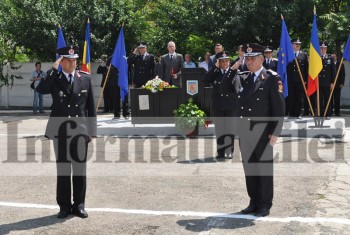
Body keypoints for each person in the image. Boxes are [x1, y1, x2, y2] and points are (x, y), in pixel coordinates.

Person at [36, 45, 97, 219]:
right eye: (68, 60)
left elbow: (90, 107)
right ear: (61, 61)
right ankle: (64, 206)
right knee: (63, 170)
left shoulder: (84, 78)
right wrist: (52, 70)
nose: (72, 63)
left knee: (79, 170)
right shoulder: (54, 78)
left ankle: (79, 205)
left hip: (80, 131)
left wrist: (92, 131)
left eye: (74, 60)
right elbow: (40, 89)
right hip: (60, 131)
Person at [228, 43, 284, 217]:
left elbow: (279, 107)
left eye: (252, 59)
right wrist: (232, 69)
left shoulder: (272, 78)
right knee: (250, 168)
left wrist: (275, 132)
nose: (249, 62)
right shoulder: (245, 77)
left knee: (264, 169)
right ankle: (254, 201)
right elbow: (226, 89)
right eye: (247, 59)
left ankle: (265, 204)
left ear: (261, 59)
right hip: (246, 131)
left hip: (263, 131)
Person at [204, 51, 238, 159]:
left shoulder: (234, 72)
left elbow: (237, 89)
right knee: (219, 129)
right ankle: (220, 152)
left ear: (229, 62)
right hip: (218, 105)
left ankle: (229, 151)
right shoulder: (215, 72)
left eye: (226, 61)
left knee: (230, 129)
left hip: (230, 106)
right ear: (218, 62)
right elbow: (205, 80)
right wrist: (214, 67)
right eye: (222, 61)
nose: (224, 63)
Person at [286, 38, 309, 118]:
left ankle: (297, 113)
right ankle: (291, 113)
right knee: (291, 97)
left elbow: (306, 68)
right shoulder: (288, 54)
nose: (298, 45)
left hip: (300, 80)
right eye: (296, 44)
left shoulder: (304, 54)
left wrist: (305, 80)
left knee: (299, 97)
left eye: (299, 44)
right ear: (292, 45)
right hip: (290, 80)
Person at [318, 42, 335, 117]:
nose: (323, 49)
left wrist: (332, 82)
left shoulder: (330, 58)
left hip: (327, 83)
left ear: (326, 49)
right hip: (318, 83)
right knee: (319, 99)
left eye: (324, 48)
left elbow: (333, 71)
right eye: (321, 48)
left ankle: (327, 114)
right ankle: (320, 113)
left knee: (328, 99)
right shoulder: (317, 58)